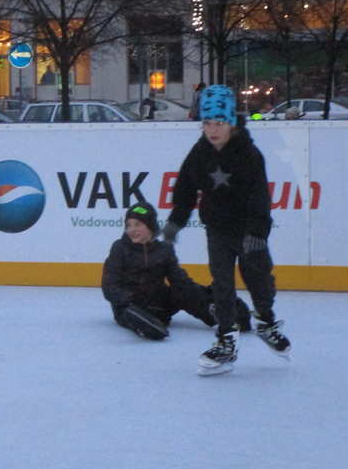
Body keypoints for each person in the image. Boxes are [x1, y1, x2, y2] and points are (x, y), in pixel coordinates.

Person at [162, 84, 291, 375]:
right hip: (217, 228)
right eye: (206, 123)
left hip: (249, 230)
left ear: (231, 121)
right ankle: (225, 340)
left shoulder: (249, 154)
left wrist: (257, 232)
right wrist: (175, 222)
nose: (212, 130)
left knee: (258, 279)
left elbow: (260, 197)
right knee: (222, 284)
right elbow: (184, 187)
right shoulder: (200, 152)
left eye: (218, 123)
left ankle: (266, 322)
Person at [102, 201, 251, 340]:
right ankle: (145, 324)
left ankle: (223, 315)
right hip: (130, 304)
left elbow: (180, 280)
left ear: (150, 226)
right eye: (128, 225)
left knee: (184, 291)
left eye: (137, 224)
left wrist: (202, 295)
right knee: (129, 313)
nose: (132, 229)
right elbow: (109, 285)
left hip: (157, 301)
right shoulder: (120, 248)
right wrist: (127, 300)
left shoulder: (164, 249)